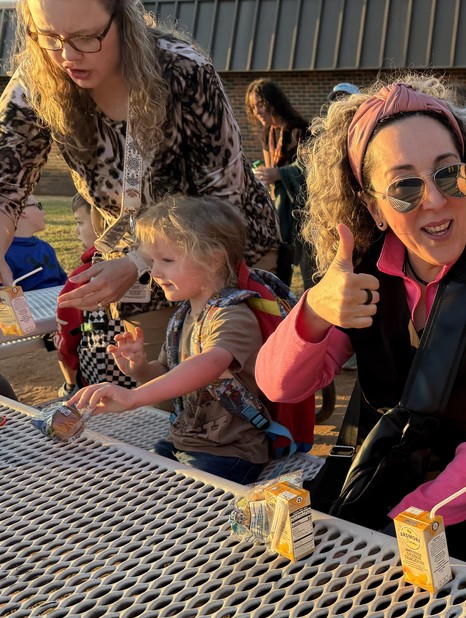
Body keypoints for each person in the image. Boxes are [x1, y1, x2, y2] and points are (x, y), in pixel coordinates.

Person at [255, 75, 466, 569]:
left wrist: (399, 526)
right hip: (369, 472)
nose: (436, 201)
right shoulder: (359, 273)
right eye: (404, 187)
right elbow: (280, 386)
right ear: (373, 207)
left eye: (449, 174)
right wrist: (314, 309)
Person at [0, 0, 278, 366]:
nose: (67, 56)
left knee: (224, 394)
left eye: (85, 38)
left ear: (123, 18)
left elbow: (223, 200)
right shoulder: (35, 82)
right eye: (49, 37)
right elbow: (7, 183)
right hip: (138, 268)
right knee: (157, 387)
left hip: (219, 254)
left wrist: (139, 260)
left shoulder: (184, 70)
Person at [69, 196, 270, 484]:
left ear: (213, 259)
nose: (155, 271)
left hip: (230, 452)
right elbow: (166, 372)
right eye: (152, 261)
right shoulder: (184, 315)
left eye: (167, 260)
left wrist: (135, 397)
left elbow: (210, 363)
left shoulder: (233, 316)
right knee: (128, 484)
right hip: (181, 441)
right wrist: (138, 369)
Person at [54, 193, 139, 396]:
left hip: (102, 388)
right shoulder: (162, 267)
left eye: (79, 222)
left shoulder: (83, 276)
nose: (76, 231)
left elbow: (67, 336)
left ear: (100, 220)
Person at [246, 78, 314, 289]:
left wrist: (280, 173)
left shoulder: (300, 130)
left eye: (261, 104)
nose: (257, 111)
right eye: (253, 106)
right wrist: (265, 177)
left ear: (274, 102)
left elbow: (311, 171)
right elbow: (271, 168)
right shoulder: (268, 133)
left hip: (302, 211)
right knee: (280, 264)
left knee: (307, 267)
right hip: (279, 210)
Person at [3, 195, 66, 290]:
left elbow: (63, 281)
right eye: (39, 206)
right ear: (22, 210)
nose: (43, 212)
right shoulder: (5, 254)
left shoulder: (46, 247)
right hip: (30, 303)